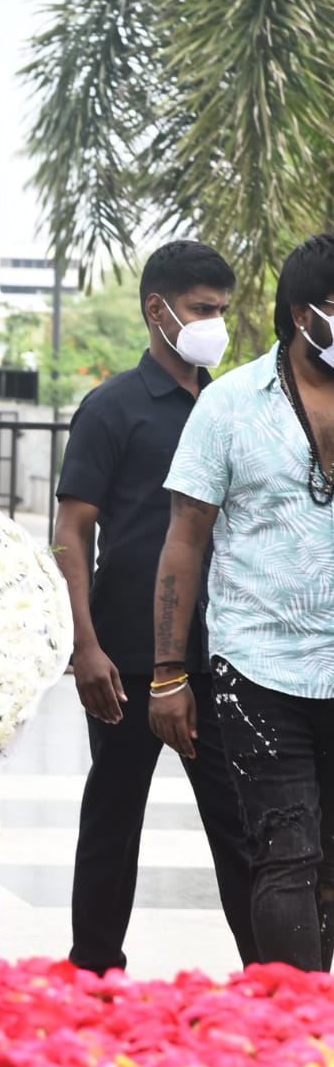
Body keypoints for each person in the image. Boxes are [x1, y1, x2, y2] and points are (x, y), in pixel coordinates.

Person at [53, 240, 257, 975]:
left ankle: (274, 984)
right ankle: (93, 976)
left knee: (241, 826)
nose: (215, 325)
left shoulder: (230, 405)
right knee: (112, 820)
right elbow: (71, 530)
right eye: (202, 309)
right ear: (157, 309)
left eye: (222, 310)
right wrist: (84, 646)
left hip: (221, 653)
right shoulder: (111, 408)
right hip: (124, 656)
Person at [150, 232, 334, 973]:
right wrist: (168, 673)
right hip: (258, 669)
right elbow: (183, 540)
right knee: (285, 855)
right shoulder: (228, 405)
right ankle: (293, 1023)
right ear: (304, 314)